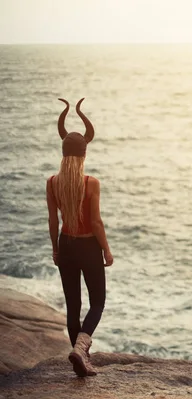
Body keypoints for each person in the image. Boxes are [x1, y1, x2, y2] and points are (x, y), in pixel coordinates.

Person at [46, 98, 113, 377]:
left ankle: (79, 365)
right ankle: (82, 348)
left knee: (73, 305)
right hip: (88, 246)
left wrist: (55, 249)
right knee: (97, 301)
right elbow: (96, 222)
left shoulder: (52, 182)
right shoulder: (90, 183)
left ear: (63, 155)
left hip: (66, 244)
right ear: (83, 155)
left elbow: (53, 220)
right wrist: (107, 251)